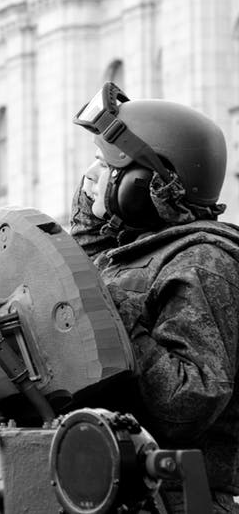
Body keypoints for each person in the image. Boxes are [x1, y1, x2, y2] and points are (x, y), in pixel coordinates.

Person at [71, 82, 239, 512]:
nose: (88, 177)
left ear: (141, 184)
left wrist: (114, 315)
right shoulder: (131, 250)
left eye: (103, 166)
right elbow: (77, 264)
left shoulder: (202, 261)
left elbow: (186, 403)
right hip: (118, 491)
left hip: (174, 499)